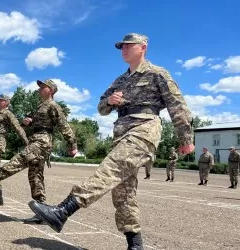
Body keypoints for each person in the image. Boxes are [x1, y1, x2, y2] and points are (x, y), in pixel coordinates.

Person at [26, 33, 195, 249]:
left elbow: (177, 105)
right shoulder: (120, 80)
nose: (124, 50)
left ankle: (63, 210)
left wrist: (185, 137)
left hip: (144, 129)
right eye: (121, 47)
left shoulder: (157, 73)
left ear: (142, 47)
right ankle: (135, 245)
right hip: (121, 133)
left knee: (109, 170)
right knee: (123, 193)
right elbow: (101, 108)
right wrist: (109, 100)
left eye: (128, 46)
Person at [0, 79, 77, 222]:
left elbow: (64, 126)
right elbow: (28, 124)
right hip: (36, 139)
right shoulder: (40, 106)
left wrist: (72, 145)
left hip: (43, 141)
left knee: (19, 159)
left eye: (43, 87)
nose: (39, 89)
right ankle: (42, 213)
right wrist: (26, 123)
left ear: (50, 90)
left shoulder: (53, 106)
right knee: (35, 176)